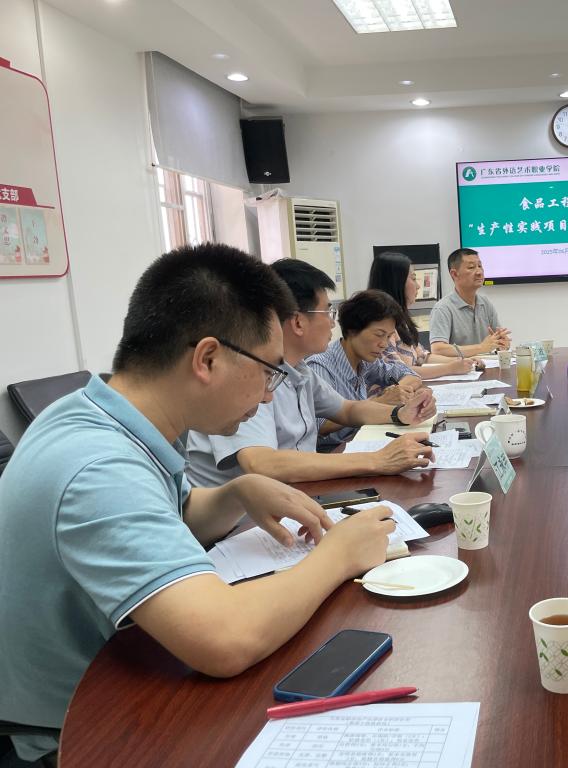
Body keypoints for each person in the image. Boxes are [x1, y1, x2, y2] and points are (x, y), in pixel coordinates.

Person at [0, 244, 396, 764]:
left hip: (126, 670)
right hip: (73, 731)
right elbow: (225, 639)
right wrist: (339, 555)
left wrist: (235, 493)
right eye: (268, 371)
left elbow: (176, 514)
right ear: (207, 359)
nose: (269, 396)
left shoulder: (101, 411)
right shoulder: (98, 466)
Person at [187, 259, 436, 487]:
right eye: (327, 312)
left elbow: (347, 410)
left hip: (296, 495)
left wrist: (399, 414)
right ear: (297, 322)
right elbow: (262, 463)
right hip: (255, 514)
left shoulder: (300, 369)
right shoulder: (247, 375)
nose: (332, 323)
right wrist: (378, 460)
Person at [309, 289, 438, 449]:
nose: (384, 344)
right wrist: (380, 401)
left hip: (362, 440)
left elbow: (410, 374)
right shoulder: (320, 367)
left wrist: (403, 392)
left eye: (389, 336)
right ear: (352, 329)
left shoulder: (367, 361)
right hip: (333, 451)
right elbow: (320, 425)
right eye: (379, 334)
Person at [368, 250, 482, 379]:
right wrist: (450, 368)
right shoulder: (382, 324)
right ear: (395, 282)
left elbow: (423, 356)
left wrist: (461, 361)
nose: (418, 286)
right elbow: (399, 372)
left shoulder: (401, 319)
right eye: (413, 278)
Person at [429, 248, 510, 357]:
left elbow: (497, 339)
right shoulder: (443, 308)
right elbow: (438, 349)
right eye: (471, 267)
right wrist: (481, 348)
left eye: (480, 266)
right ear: (454, 274)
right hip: (460, 367)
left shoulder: (485, 303)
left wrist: (502, 343)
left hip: (486, 365)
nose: (479, 272)